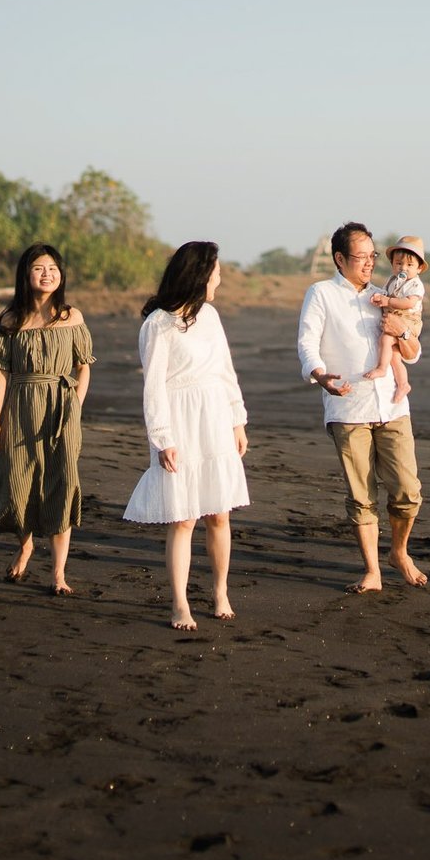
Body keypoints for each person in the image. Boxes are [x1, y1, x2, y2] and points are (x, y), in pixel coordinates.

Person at [123, 241, 251, 630]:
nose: (220, 278)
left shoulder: (210, 316)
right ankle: (180, 603)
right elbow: (154, 387)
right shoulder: (158, 324)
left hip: (214, 415)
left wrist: (237, 419)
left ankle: (220, 592)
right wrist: (163, 437)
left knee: (219, 513)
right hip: (179, 420)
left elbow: (225, 371)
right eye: (215, 271)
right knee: (183, 517)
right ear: (198, 274)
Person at [297, 222, 425, 593]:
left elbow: (413, 354)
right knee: (361, 494)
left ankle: (398, 552)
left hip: (392, 405)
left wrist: (402, 331)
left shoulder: (385, 294)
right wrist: (320, 376)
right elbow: (307, 342)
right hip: (348, 408)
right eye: (362, 257)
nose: (370, 263)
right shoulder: (321, 293)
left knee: (407, 490)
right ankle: (372, 570)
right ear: (339, 258)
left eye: (373, 256)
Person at [0, 244, 93, 595]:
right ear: (26, 274)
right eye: (39, 268)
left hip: (62, 408)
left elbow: (83, 368)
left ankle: (58, 573)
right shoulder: (11, 321)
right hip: (21, 406)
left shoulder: (73, 317)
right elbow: (0, 374)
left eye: (53, 268)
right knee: (19, 480)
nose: (47, 274)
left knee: (63, 481)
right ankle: (24, 545)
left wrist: (75, 406)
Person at [363, 236, 426, 405]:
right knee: (394, 355)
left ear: (419, 268)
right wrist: (380, 298)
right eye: (398, 263)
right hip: (396, 315)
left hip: (409, 319)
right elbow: (386, 294)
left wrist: (388, 302)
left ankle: (382, 369)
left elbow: (409, 303)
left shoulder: (415, 284)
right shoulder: (392, 280)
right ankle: (403, 384)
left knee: (385, 338)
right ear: (392, 264)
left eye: (409, 265)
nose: (403, 268)